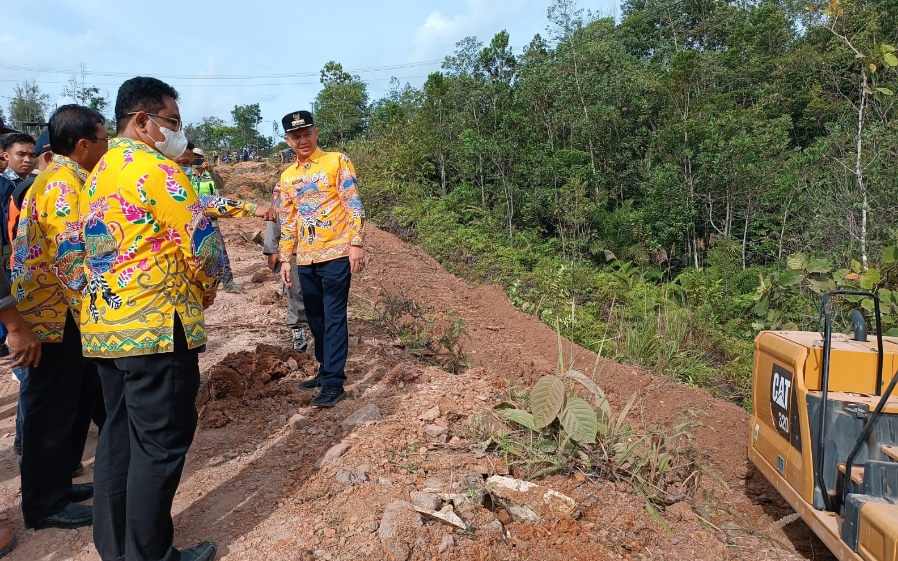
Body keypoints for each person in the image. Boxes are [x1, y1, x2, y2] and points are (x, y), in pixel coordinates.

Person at [82, 76, 279, 561]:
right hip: (157, 327)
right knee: (160, 444)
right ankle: (150, 555)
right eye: (172, 122)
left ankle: (116, 547)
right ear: (143, 122)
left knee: (118, 435)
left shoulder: (103, 170)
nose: (178, 134)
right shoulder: (156, 167)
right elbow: (202, 241)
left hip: (108, 326)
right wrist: (208, 289)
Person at [12, 105, 110, 530]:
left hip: (62, 312)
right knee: (50, 408)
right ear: (84, 144)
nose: (109, 147)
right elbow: (71, 261)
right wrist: (102, 309)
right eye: (105, 140)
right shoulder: (62, 185)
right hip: (51, 316)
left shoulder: (69, 178)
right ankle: (44, 503)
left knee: (72, 400)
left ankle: (58, 483)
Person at [278, 110, 366, 407]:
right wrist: (285, 258)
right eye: (296, 136)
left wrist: (356, 242)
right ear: (288, 140)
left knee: (334, 315)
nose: (302, 140)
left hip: (338, 252)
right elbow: (288, 218)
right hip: (305, 257)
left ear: (316, 134)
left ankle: (333, 382)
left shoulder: (336, 161)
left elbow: (352, 201)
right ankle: (325, 367)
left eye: (307, 134)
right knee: (315, 317)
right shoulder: (288, 176)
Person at [263, 180, 308, 352]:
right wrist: (271, 248)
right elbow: (274, 218)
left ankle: (323, 330)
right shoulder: (284, 185)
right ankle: (298, 331)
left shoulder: (325, 179)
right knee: (294, 289)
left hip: (321, 247)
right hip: (292, 249)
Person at [190, 148, 242, 292]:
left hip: (210, 218)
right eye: (193, 157)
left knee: (221, 250)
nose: (196, 160)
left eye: (199, 157)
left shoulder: (209, 175)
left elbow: (220, 185)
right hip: (193, 221)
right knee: (194, 253)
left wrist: (212, 171)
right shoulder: (186, 176)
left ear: (203, 159)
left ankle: (228, 282)